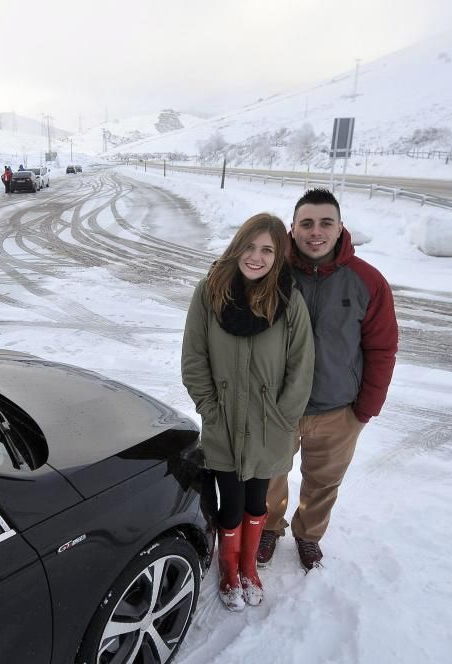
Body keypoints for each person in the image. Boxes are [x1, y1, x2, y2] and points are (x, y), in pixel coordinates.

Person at [257, 188, 398, 570]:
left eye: (325, 223)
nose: (315, 232)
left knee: (322, 483)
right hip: (278, 406)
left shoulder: (368, 281)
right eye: (306, 223)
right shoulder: (270, 271)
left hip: (338, 409)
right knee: (270, 474)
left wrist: (365, 409)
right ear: (293, 228)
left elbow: (382, 349)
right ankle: (269, 527)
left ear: (340, 229)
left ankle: (309, 535)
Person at [182, 213, 315, 611]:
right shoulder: (210, 291)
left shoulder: (288, 299)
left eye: (267, 250)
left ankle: (248, 568)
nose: (256, 257)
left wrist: (282, 417)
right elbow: (194, 357)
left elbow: (301, 365)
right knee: (230, 499)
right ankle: (228, 569)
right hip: (223, 420)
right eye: (250, 246)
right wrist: (209, 406)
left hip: (268, 425)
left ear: (278, 256)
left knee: (258, 500)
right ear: (238, 246)